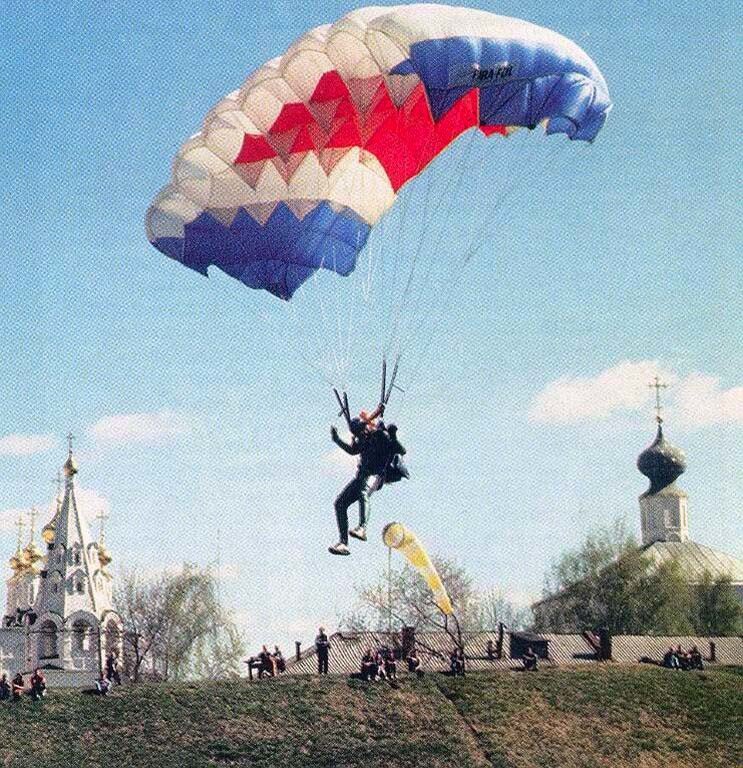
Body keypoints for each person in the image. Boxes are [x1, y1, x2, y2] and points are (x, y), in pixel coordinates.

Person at [328, 410, 406, 556]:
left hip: (376, 477)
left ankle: (362, 528)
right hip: (361, 477)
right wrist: (337, 439)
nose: (359, 437)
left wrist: (393, 435)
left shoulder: (380, 436)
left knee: (363, 490)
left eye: (360, 433)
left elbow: (401, 450)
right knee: (340, 503)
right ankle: (343, 543)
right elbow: (352, 450)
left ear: (365, 429)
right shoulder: (362, 440)